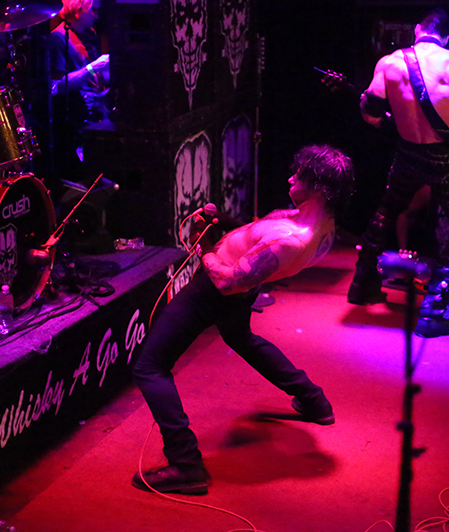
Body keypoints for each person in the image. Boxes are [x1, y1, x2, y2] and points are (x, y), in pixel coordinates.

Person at [131, 145, 355, 495]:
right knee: (241, 338)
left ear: (318, 189)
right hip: (239, 292)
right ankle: (313, 400)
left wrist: (206, 246)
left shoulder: (291, 241)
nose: (290, 178)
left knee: (150, 367)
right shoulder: (321, 225)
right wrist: (226, 227)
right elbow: (258, 239)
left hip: (213, 292)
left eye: (299, 175)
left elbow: (226, 282)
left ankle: (186, 464)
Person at [348, 8, 449, 338]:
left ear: (418, 30)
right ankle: (434, 304)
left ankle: (361, 284)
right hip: (443, 156)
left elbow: (371, 115)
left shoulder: (390, 63)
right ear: (446, 38)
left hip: (408, 151)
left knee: (387, 210)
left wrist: (396, 124)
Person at [48, 0, 112, 179]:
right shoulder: (58, 39)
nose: (97, 15)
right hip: (79, 121)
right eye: (93, 10)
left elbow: (95, 78)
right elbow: (56, 87)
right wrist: (94, 67)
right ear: (79, 8)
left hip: (98, 111)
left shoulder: (89, 34)